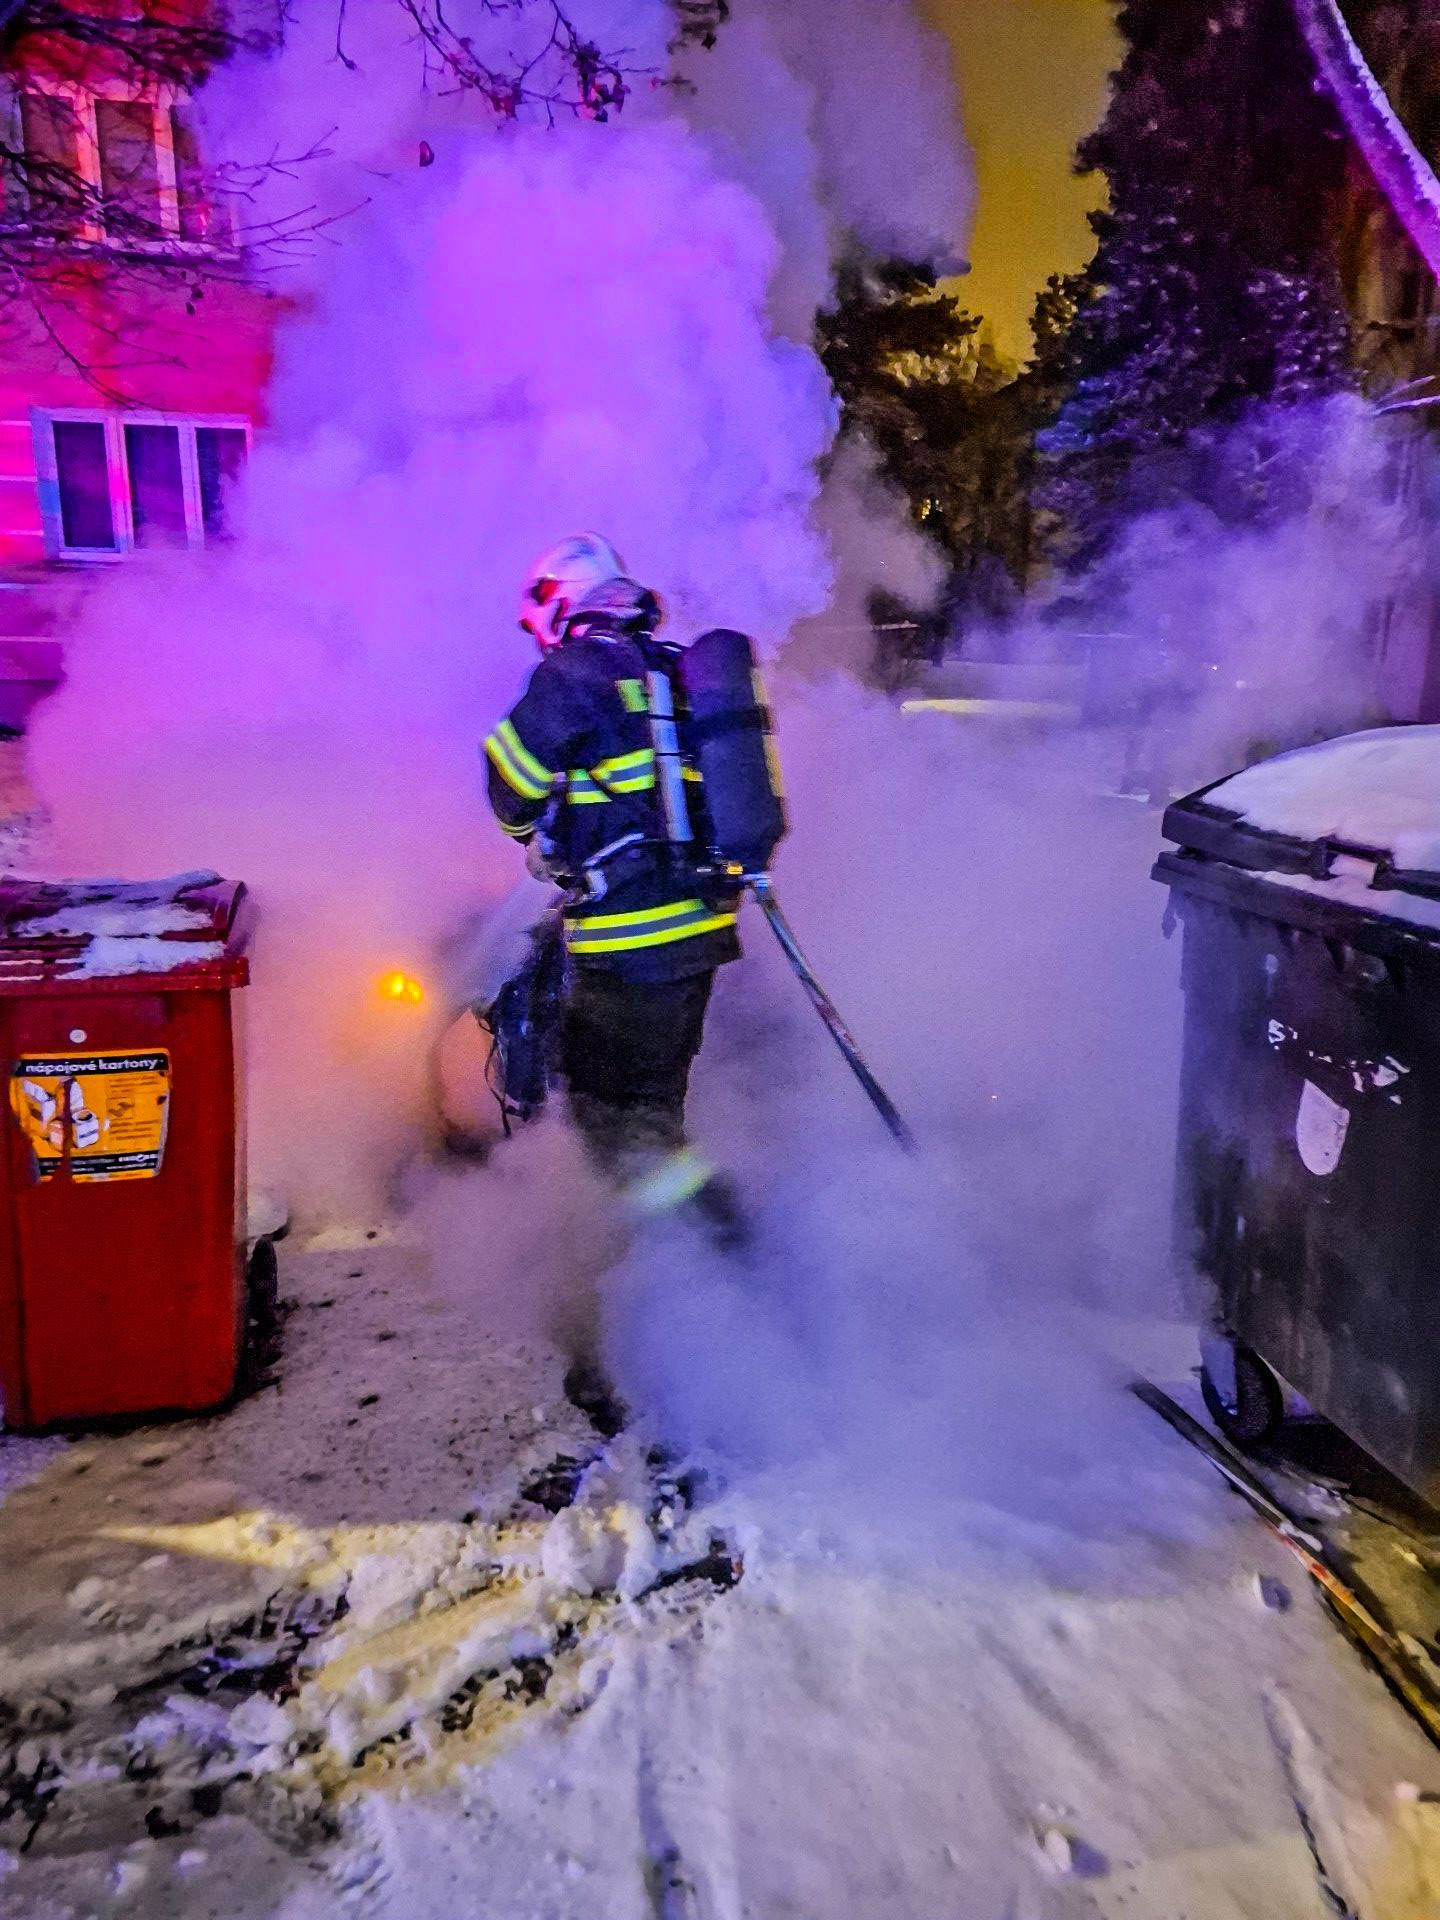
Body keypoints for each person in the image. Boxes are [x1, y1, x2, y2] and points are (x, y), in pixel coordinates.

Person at [483, 533, 746, 1431]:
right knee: (650, 1112)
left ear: (559, 607)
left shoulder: (574, 672)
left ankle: (721, 1252)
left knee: (611, 1126)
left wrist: (535, 830)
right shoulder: (674, 671)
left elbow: (508, 786)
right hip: (697, 941)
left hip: (628, 947)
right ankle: (690, 1284)